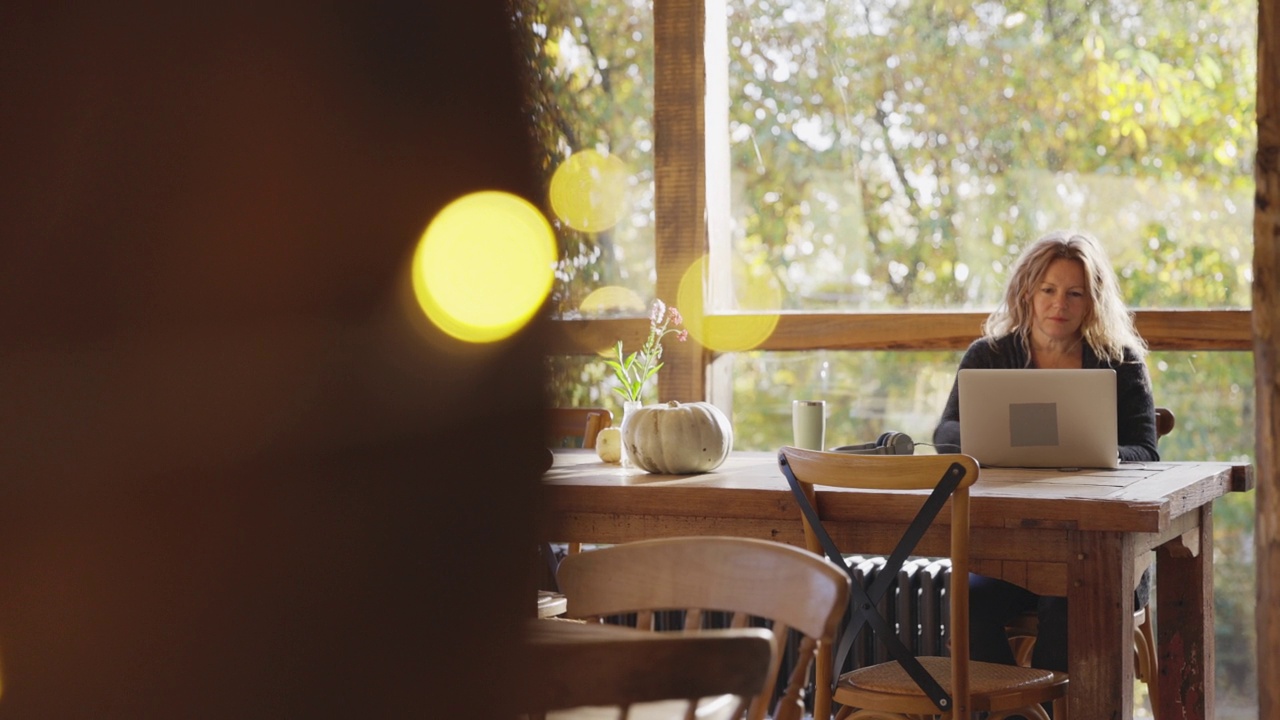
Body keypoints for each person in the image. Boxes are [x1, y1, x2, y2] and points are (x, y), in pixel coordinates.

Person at [933, 229, 1159, 676]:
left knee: (1066, 605)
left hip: (1100, 552)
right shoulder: (989, 355)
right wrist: (988, 443)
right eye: (1049, 290)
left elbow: (1146, 450)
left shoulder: (1121, 361)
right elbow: (946, 431)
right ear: (1027, 293)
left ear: (1092, 301)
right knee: (963, 601)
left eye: (1075, 293)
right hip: (1011, 548)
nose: (1060, 305)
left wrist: (1098, 453)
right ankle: (1011, 712)